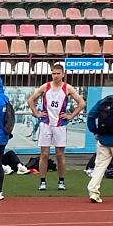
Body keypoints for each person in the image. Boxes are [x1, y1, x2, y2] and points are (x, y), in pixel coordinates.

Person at [26, 62, 86, 192]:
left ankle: (61, 180)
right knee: (44, 154)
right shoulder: (46, 86)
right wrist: (36, 113)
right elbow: (31, 100)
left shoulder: (67, 88)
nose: (56, 76)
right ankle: (42, 181)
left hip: (60, 125)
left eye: (58, 73)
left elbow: (81, 103)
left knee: (60, 154)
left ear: (63, 74)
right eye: (53, 73)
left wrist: (71, 116)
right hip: (46, 123)